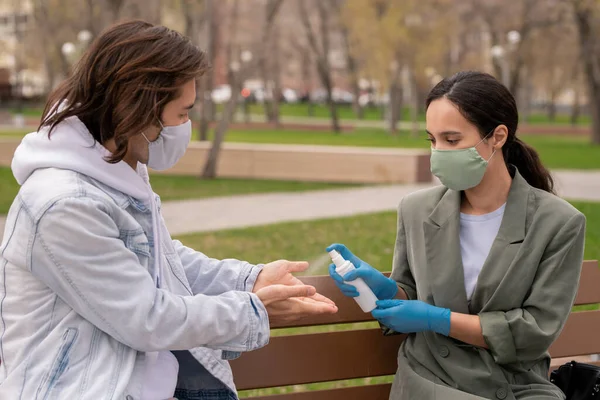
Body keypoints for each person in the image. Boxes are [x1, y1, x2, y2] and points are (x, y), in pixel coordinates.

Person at [0, 20, 337, 400]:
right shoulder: (65, 205)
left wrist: (249, 280)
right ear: (137, 108)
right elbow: (146, 318)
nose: (184, 127)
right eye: (182, 113)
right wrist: (252, 311)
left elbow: (160, 260)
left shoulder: (116, 168)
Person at [328, 71, 586, 399]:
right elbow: (410, 293)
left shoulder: (559, 223)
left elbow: (533, 333)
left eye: (451, 140)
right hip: (430, 378)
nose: (438, 153)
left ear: (498, 137)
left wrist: (439, 319)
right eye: (432, 140)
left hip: (514, 384)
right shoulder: (416, 209)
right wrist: (384, 288)